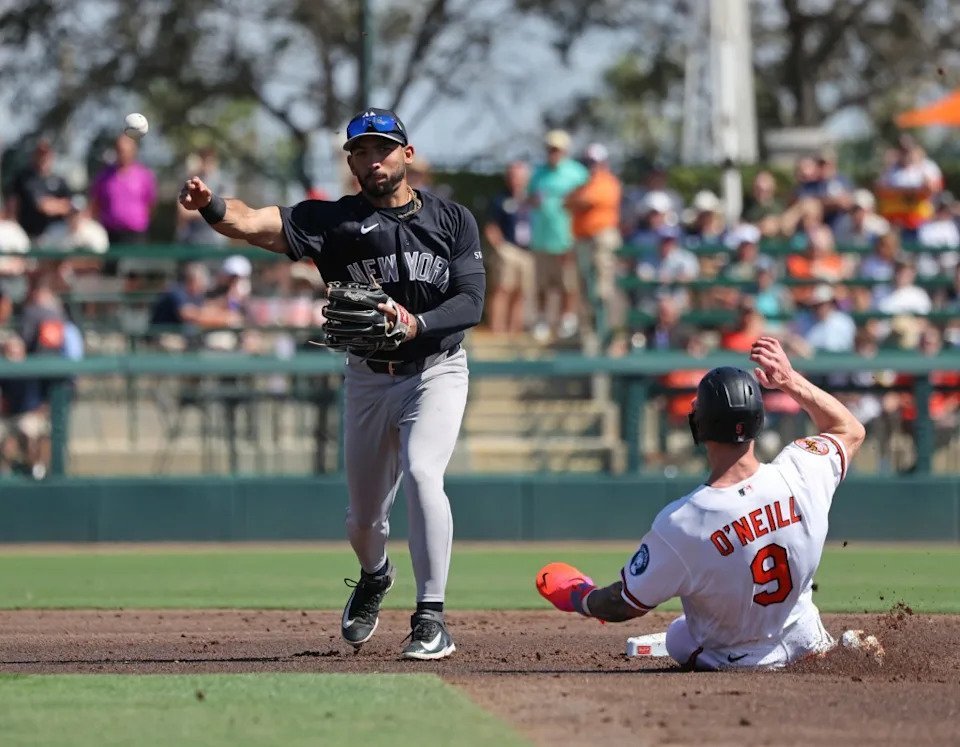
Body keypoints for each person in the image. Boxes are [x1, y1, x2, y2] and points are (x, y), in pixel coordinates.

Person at [177, 107, 484, 660]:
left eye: (383, 148)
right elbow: (249, 222)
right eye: (361, 152)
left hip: (436, 368)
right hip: (368, 377)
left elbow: (470, 300)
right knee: (364, 521)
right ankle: (375, 575)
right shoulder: (332, 223)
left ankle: (431, 619)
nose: (374, 160)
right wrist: (212, 206)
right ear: (351, 164)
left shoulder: (453, 220)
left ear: (407, 154)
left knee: (422, 472)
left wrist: (417, 322)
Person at [537, 337, 866, 670]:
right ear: (757, 420)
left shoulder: (684, 520)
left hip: (743, 663)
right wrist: (788, 380)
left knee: (678, 637)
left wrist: (578, 595)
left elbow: (623, 604)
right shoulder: (802, 470)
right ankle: (834, 648)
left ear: (700, 425)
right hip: (806, 639)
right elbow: (849, 429)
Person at [528, 130, 589, 342]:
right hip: (541, 238)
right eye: (550, 149)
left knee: (568, 283)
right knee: (543, 284)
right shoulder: (537, 173)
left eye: (556, 149)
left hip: (568, 237)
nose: (552, 153)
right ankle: (543, 319)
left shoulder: (578, 173)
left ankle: (567, 318)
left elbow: (587, 199)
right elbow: (529, 199)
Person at [483, 161, 534, 335]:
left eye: (519, 177)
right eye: (512, 176)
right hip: (507, 250)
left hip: (527, 251)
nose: (515, 180)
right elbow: (490, 226)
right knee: (501, 290)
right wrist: (501, 247)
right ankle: (497, 330)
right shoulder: (500, 199)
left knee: (520, 292)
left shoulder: (531, 199)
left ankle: (514, 332)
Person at [89, 134, 157, 245]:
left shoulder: (144, 176)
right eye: (120, 150)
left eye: (127, 150)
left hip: (136, 235)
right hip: (110, 234)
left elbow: (151, 204)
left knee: (135, 262)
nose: (123, 153)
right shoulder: (104, 176)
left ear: (133, 151)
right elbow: (95, 204)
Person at [4, 138, 72, 239]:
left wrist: (57, 206)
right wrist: (59, 205)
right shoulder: (26, 178)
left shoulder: (59, 180)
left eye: (46, 155)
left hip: (55, 233)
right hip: (28, 233)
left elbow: (70, 205)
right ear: (34, 156)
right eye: (40, 155)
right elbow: (42, 205)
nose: (43, 159)